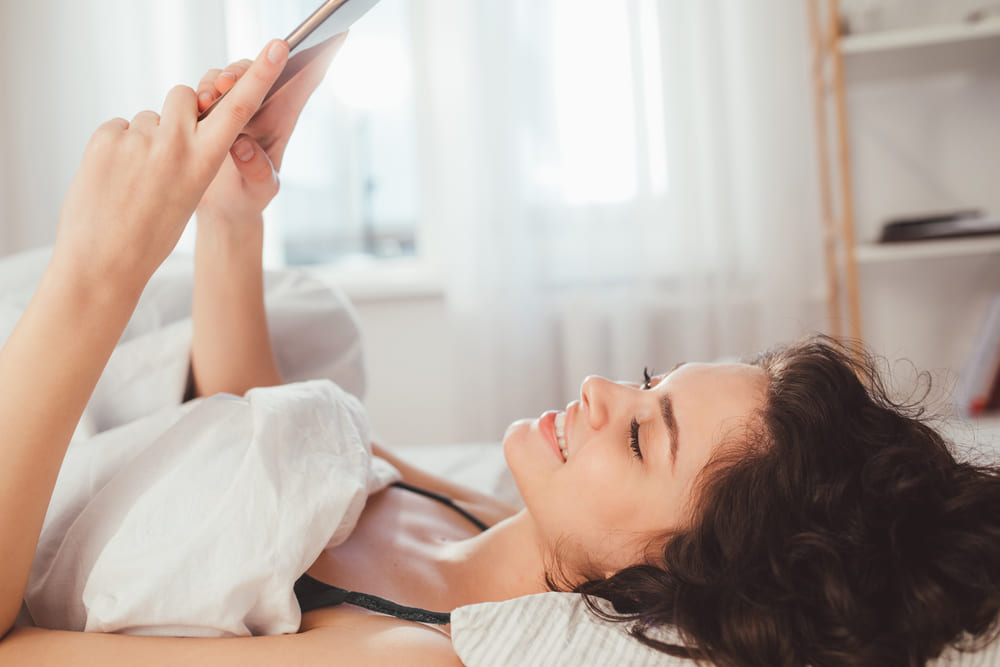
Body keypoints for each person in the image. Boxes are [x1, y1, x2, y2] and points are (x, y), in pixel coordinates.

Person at [0, 33, 997, 667]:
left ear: (663, 576)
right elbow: (253, 420)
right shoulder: (472, 519)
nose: (602, 390)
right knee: (314, 317)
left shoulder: (401, 650)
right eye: (651, 384)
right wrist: (230, 218)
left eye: (645, 438)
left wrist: (95, 278)